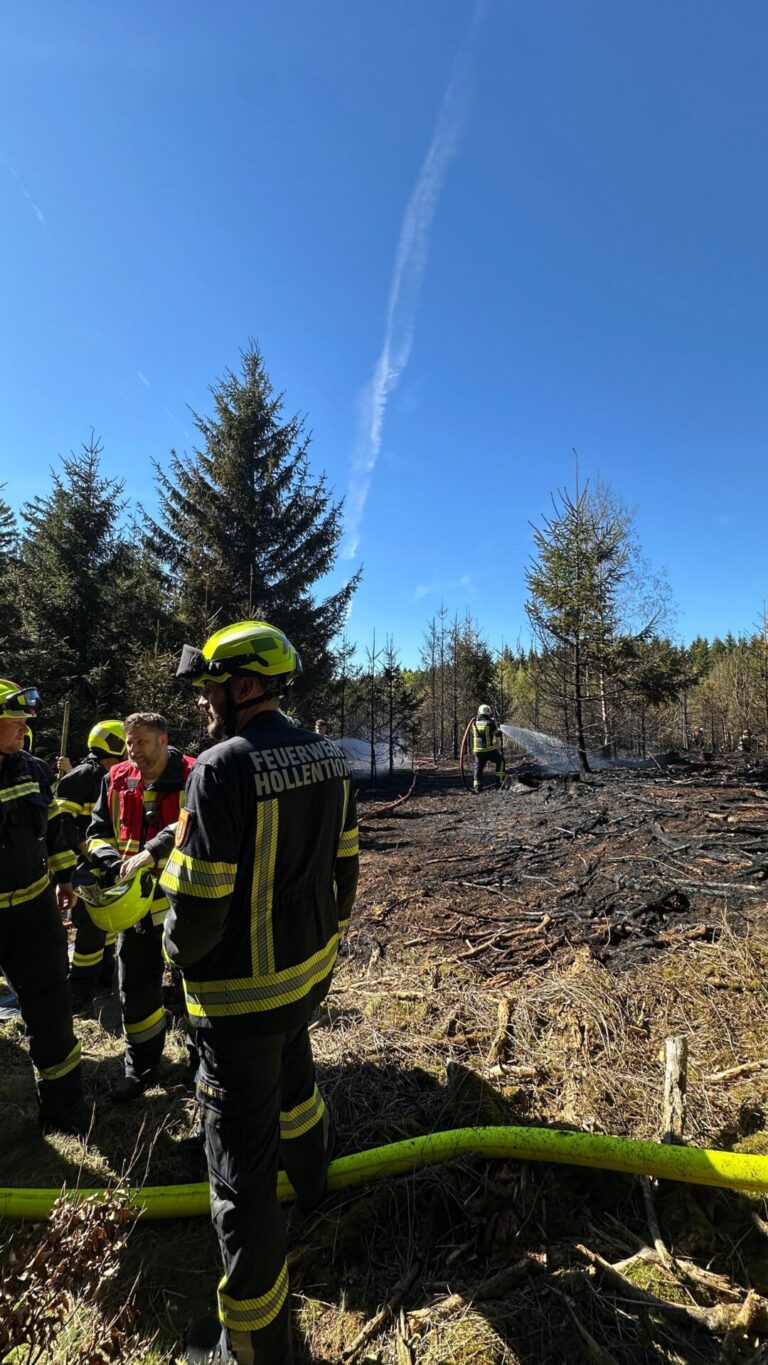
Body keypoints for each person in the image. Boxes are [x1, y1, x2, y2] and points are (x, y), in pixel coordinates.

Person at [161, 621, 359, 1365]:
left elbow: (199, 906)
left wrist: (173, 958)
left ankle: (252, 1346)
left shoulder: (218, 769)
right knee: (297, 1088)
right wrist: (325, 943)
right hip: (304, 979)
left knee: (239, 1183)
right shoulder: (329, 756)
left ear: (244, 686)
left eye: (210, 687)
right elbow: (346, 867)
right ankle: (316, 1185)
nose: (203, 701)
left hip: (238, 1002)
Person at [86, 712, 195, 1101]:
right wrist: (106, 861)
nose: (133, 751)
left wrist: (152, 852)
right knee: (135, 988)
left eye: (142, 742)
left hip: (187, 902)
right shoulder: (115, 778)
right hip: (135, 907)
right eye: (129, 743)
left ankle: (201, 1066)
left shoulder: (195, 774)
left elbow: (194, 824)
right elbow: (98, 830)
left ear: (164, 740)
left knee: (195, 988)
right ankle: (141, 1068)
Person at [0, 679, 90, 1136]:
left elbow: (53, 827)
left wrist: (64, 877)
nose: (24, 726)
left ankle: (64, 1112)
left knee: (52, 1009)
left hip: (34, 914)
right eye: (14, 719)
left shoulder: (32, 770)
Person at [56, 720, 127, 1014]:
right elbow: (62, 825)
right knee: (90, 932)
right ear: (114, 745)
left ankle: (103, 974)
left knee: (107, 926)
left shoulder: (114, 775)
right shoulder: (80, 777)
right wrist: (87, 850)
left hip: (107, 864)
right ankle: (79, 991)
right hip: (85, 867)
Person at [471, 703, 505, 793]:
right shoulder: (490, 723)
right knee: (500, 761)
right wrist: (498, 727)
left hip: (477, 750)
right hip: (488, 750)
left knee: (478, 767)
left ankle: (477, 786)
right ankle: (500, 782)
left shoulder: (474, 723)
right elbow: (498, 734)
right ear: (488, 713)